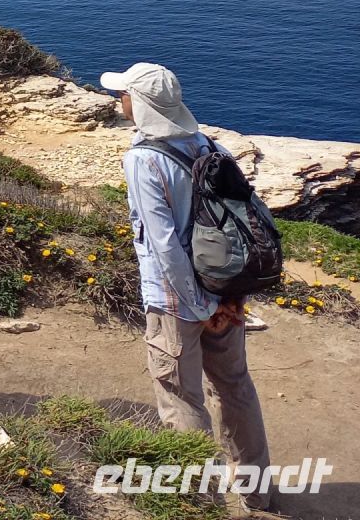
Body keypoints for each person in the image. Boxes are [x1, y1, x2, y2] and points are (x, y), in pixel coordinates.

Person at [103, 62, 274, 512]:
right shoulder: (209, 145)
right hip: (227, 292)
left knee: (181, 397)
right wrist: (222, 299)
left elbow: (163, 245)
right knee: (235, 386)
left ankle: (197, 502)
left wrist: (195, 304)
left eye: (123, 94)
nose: (118, 100)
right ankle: (256, 491)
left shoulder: (143, 159)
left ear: (138, 103)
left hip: (176, 302)